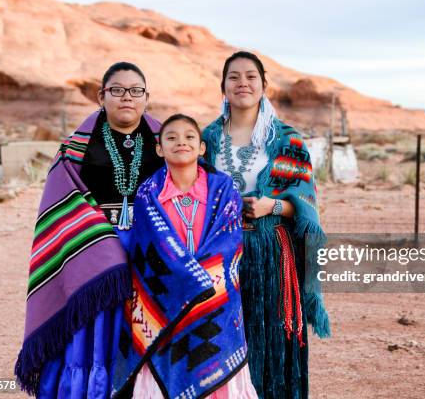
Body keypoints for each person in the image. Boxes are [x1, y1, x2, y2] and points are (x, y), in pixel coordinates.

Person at [15, 62, 164, 397]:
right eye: (117, 90)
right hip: (91, 250)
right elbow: (60, 200)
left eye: (135, 91)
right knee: (94, 329)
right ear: (101, 96)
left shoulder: (164, 142)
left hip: (150, 250)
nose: (127, 97)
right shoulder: (76, 147)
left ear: (146, 97)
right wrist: (105, 243)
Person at [202, 51, 331, 399]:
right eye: (234, 77)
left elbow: (304, 207)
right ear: (223, 86)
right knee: (221, 345)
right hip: (218, 257)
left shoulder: (287, 140)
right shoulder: (206, 139)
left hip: (271, 255)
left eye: (250, 77)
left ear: (263, 86)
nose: (242, 83)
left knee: (272, 342)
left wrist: (270, 205)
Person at [110, 114, 257, 399]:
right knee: (163, 366)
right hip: (164, 301)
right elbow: (146, 251)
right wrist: (184, 283)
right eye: (172, 138)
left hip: (215, 299)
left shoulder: (224, 189)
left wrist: (197, 282)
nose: (181, 142)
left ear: (202, 148)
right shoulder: (147, 194)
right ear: (159, 148)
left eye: (189, 137)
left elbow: (228, 243)